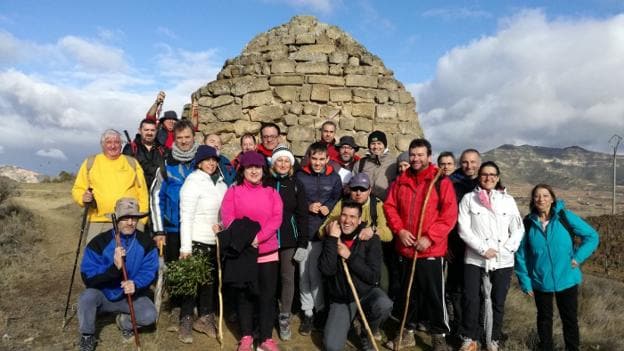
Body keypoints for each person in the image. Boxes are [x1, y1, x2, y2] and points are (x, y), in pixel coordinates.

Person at [384, 138, 457, 351]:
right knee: (408, 293)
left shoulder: (440, 181)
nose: (416, 159)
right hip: (406, 249)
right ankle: (407, 332)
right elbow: (390, 207)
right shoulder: (401, 181)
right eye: (413, 155)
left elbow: (449, 215)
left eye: (420, 155)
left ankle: (439, 336)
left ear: (429, 156)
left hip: (431, 250)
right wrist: (400, 231)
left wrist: (430, 237)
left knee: (434, 295)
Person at [515, 184, 599, 351]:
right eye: (537, 196)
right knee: (544, 319)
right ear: (533, 199)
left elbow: (592, 236)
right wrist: (525, 281)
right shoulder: (528, 223)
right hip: (540, 279)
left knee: (569, 319)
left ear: (552, 199)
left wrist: (578, 257)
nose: (541, 199)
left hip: (567, 277)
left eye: (545, 196)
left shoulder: (564, 217)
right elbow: (520, 254)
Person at [457, 161, 524, 351]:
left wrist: (508, 249)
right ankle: (470, 338)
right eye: (485, 174)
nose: (489, 178)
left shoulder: (508, 200)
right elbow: (463, 228)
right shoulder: (469, 199)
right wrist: (482, 249)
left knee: (498, 301)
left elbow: (518, 228)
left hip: (503, 260)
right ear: (479, 177)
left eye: (493, 174)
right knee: (471, 298)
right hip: (475, 258)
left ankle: (493, 338)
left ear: (498, 176)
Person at [220, 151, 283, 351]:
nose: (254, 171)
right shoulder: (233, 192)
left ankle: (266, 337)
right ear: (243, 170)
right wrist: (247, 240)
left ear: (263, 170)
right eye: (250, 167)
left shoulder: (272, 193)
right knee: (244, 295)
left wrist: (258, 237)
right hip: (243, 253)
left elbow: (276, 219)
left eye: (258, 167)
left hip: (267, 253)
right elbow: (228, 218)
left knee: (267, 296)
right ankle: (246, 336)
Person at [77, 198, 157, 351]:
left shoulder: (146, 242)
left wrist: (136, 284)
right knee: (86, 298)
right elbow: (88, 277)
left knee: (149, 315)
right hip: (103, 294)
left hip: (130, 297)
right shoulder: (99, 242)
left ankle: (124, 322)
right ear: (116, 219)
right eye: (125, 217)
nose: (130, 222)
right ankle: (87, 335)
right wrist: (114, 269)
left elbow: (149, 271)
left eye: (134, 218)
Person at [319, 201, 393, 351]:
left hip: (366, 293)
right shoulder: (333, 236)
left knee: (384, 304)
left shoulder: (370, 238)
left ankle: (367, 334)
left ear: (359, 220)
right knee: (332, 347)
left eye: (352, 217)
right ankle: (348, 322)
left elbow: (374, 277)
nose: (347, 221)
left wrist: (350, 256)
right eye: (344, 215)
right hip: (342, 298)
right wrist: (332, 240)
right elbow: (326, 270)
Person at [177, 145, 228, 343]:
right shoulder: (192, 182)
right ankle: (186, 320)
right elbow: (186, 217)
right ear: (199, 162)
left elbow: (225, 214)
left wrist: (222, 225)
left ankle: (205, 318)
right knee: (192, 283)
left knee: (209, 283)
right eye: (207, 160)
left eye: (214, 160)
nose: (211, 163)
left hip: (214, 241)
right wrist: (185, 248)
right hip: (196, 239)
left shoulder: (221, 183)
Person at [295, 142, 343, 335]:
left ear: (327, 159)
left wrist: (328, 207)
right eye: (314, 158)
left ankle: (320, 309)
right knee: (302, 274)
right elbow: (294, 197)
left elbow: (337, 197)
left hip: (322, 233)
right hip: (304, 232)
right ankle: (307, 313)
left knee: (315, 274)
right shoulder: (300, 175)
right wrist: (307, 205)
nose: (317, 163)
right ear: (309, 158)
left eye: (321, 159)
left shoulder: (334, 177)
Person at [263, 145, 309, 341]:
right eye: (279, 160)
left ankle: (284, 316)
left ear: (291, 164)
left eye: (286, 161)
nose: (282, 164)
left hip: (289, 239)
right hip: (267, 238)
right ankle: (266, 314)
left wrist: (303, 243)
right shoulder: (265, 182)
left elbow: (302, 215)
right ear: (273, 163)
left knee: (288, 279)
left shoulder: (297, 184)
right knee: (268, 279)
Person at [72, 129, 149, 243]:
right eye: (109, 142)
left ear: (121, 145)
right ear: (102, 144)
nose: (113, 146)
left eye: (117, 142)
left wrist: (142, 221)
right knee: (97, 257)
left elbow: (142, 192)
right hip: (98, 222)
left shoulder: (132, 163)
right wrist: (82, 198)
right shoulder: (90, 163)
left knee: (129, 258)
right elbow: (78, 188)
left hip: (128, 221)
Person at [446, 149, 481, 336]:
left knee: (477, 289)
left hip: (480, 246)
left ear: (479, 162)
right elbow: (443, 214)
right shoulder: (451, 182)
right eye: (465, 162)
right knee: (457, 288)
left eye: (473, 162)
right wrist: (445, 244)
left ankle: (477, 328)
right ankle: (459, 326)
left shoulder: (484, 182)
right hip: (456, 243)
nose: (469, 165)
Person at [122, 118, 168, 190]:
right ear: (140, 131)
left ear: (156, 132)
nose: (149, 133)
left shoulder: (163, 150)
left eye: (152, 130)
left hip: (157, 193)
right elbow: (126, 172)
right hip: (136, 193)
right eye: (146, 130)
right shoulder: (131, 148)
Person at [353, 130, 397, 201]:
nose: (376, 147)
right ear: (369, 146)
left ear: (384, 145)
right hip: (365, 205)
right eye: (373, 143)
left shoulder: (394, 163)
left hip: (385, 204)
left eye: (379, 143)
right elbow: (353, 184)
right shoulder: (360, 163)